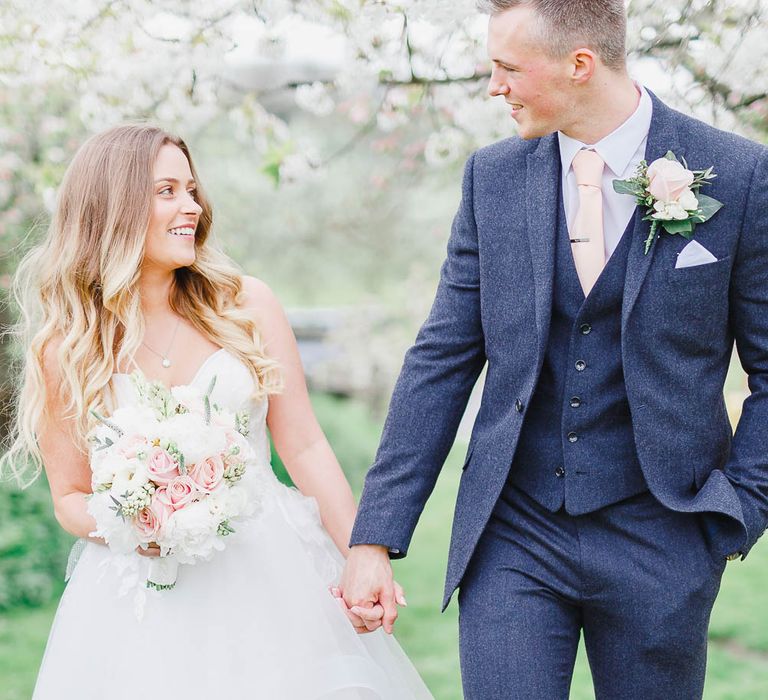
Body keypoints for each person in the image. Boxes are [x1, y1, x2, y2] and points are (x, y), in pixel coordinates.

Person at [340, 1, 768, 698]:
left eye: (507, 68)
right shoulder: (493, 178)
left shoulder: (739, 174)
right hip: (515, 531)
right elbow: (442, 357)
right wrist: (374, 536)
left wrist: (739, 509)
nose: (493, 87)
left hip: (663, 537)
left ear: (579, 64)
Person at [1, 124, 432, 699]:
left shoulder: (247, 305)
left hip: (274, 575)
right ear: (114, 209)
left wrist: (362, 552)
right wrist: (136, 520)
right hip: (140, 600)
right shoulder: (68, 347)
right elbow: (69, 497)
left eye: (192, 189)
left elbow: (303, 446)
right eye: (167, 192)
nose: (193, 207)